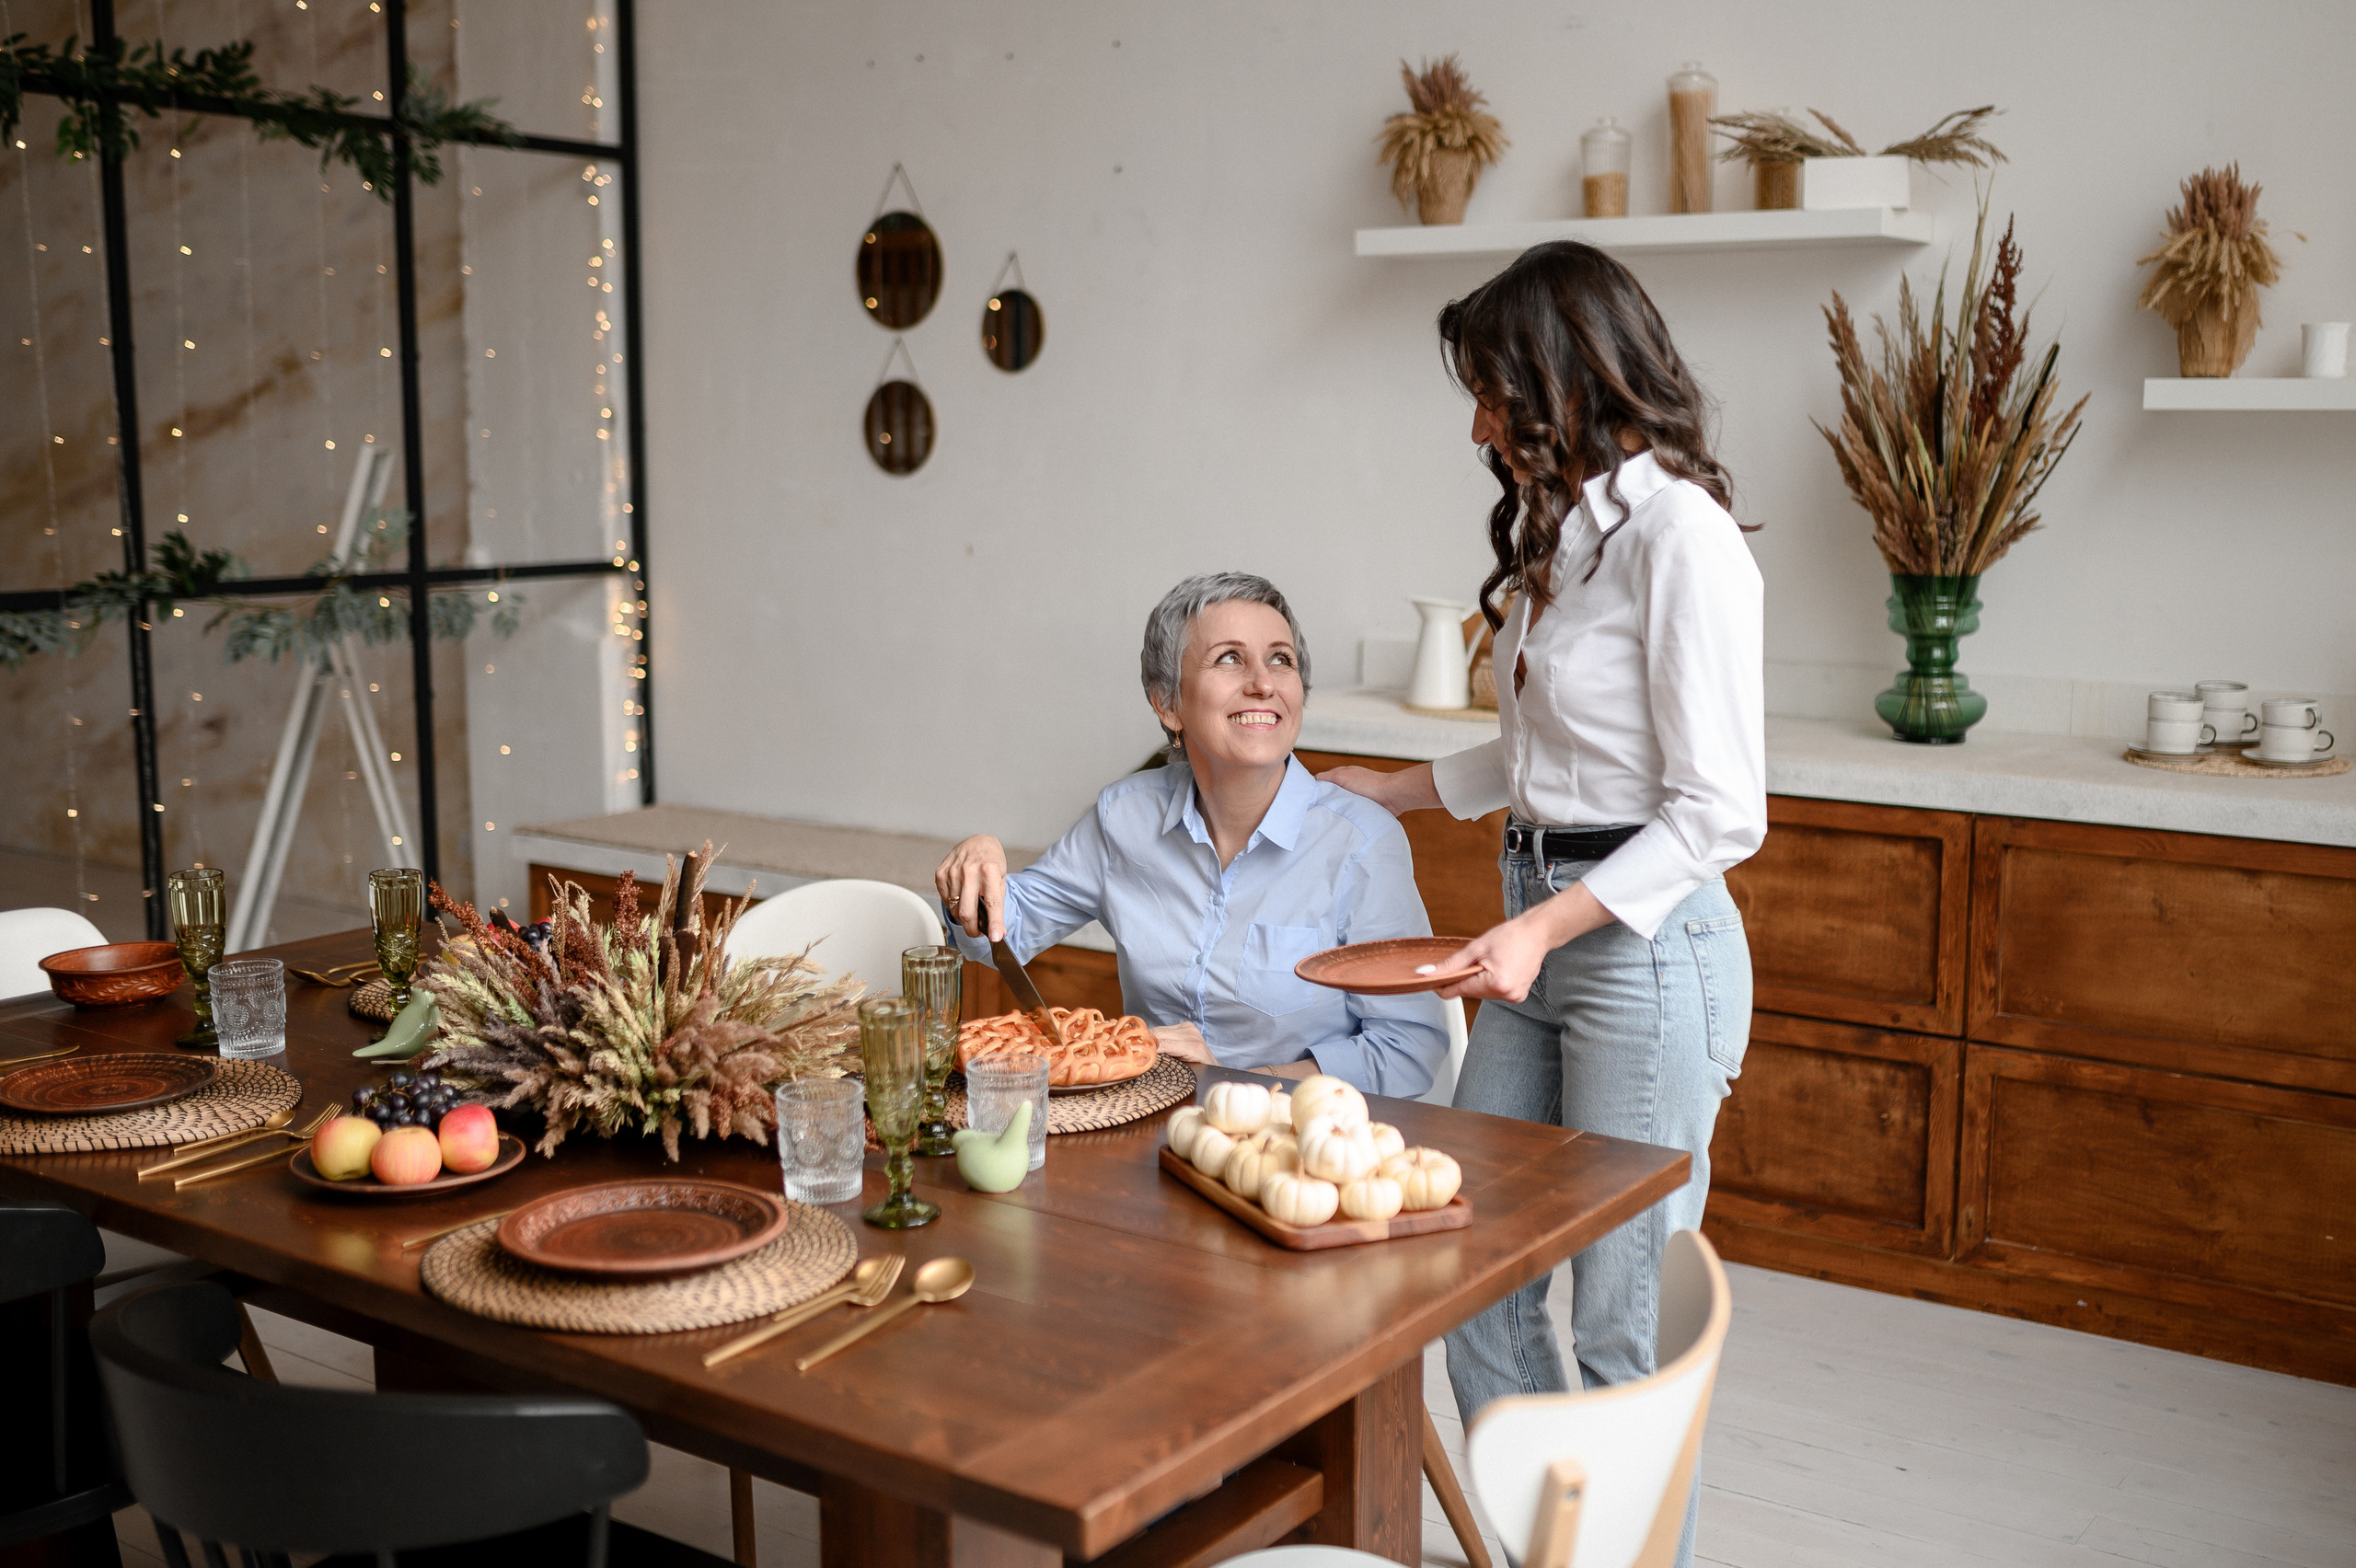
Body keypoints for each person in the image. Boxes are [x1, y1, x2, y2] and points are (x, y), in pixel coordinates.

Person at [1321, 241, 1762, 1564]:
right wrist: (1385, 792)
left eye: (1492, 390)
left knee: (1621, 1314)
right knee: (1456, 1255)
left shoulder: (1681, 538)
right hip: (1537, 928)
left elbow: (1719, 811)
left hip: (1644, 953)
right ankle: (1553, 1548)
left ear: (1566, 378)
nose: (1476, 424)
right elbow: (1547, 757)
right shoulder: (1568, 534)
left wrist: (1542, 927)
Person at [934, 572, 1447, 1094]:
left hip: (1300, 1142)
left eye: (1280, 659)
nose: (1263, 683)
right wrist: (979, 867)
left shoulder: (1360, 842)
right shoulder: (1124, 817)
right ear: (1167, 703)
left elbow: (1407, 1052)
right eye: (1229, 658)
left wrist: (1236, 1080)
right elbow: (1002, 935)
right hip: (1149, 1126)